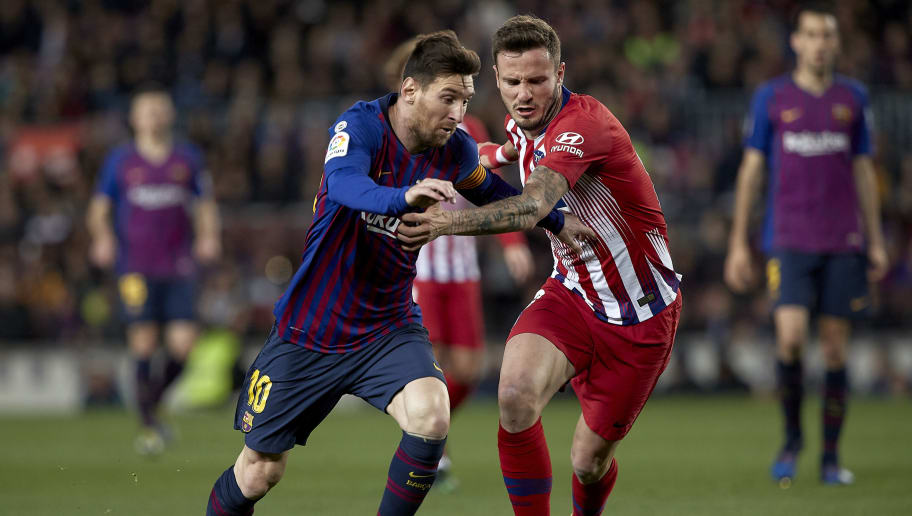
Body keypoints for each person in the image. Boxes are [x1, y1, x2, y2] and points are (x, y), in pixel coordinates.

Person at [204, 31, 589, 516]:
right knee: (259, 472)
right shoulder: (359, 127)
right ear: (410, 90)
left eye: (465, 100)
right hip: (310, 330)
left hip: (387, 328)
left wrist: (554, 220)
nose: (457, 113)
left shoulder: (455, 149)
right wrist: (402, 197)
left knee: (431, 416)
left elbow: (488, 189)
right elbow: (344, 185)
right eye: (448, 98)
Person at [398, 15, 682, 516]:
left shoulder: (583, 126)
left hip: (639, 315)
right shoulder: (523, 120)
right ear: (496, 78)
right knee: (513, 394)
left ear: (560, 73)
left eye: (537, 80)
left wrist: (446, 222)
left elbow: (532, 206)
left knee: (587, 463)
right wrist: (465, 158)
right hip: (572, 294)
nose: (524, 94)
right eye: (512, 82)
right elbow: (505, 150)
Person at [724, 3, 887, 486]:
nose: (819, 43)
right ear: (796, 41)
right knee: (791, 339)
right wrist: (738, 243)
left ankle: (831, 457)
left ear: (836, 42)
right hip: (789, 239)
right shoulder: (771, 97)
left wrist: (876, 240)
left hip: (842, 241)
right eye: (811, 34)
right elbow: (752, 169)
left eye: (827, 35)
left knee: (835, 350)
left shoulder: (853, 97)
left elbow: (863, 170)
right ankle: (792, 440)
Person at [384, 37, 535, 491]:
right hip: (421, 271)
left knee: (468, 369)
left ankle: (425, 435)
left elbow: (487, 186)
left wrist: (512, 242)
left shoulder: (468, 128)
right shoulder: (399, 131)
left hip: (463, 270)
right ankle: (431, 451)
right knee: (430, 367)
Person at [87, 86, 221, 454]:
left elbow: (204, 203)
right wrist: (102, 238)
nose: (154, 116)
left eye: (160, 109)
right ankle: (148, 424)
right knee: (144, 341)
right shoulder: (120, 161)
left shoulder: (187, 158)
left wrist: (208, 236)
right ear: (134, 119)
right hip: (135, 267)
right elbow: (98, 209)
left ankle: (152, 402)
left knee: (184, 344)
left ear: (170, 115)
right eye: (147, 110)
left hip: (179, 264)